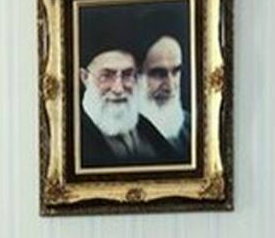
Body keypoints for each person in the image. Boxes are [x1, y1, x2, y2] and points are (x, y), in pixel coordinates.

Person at [78, 32, 175, 169]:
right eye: (106, 76)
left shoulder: (145, 127)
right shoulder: (74, 137)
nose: (118, 89)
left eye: (127, 75)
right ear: (85, 78)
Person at [138, 33, 191, 159]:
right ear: (137, 76)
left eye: (176, 71)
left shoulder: (191, 125)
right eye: (159, 74)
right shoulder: (122, 139)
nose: (170, 86)